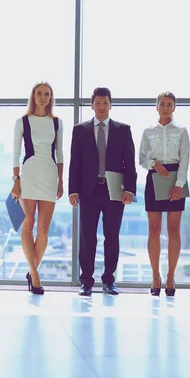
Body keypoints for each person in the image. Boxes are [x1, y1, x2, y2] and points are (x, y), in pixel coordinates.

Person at [68, 87, 137, 296]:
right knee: (87, 238)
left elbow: (130, 163)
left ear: (110, 105)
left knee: (112, 237)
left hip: (114, 191)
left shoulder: (123, 130)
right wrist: (72, 190)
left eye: (105, 103)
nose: (101, 107)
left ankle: (109, 281)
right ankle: (86, 282)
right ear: (91, 105)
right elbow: (75, 163)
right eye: (97, 103)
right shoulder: (80, 130)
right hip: (88, 191)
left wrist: (130, 190)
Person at [11, 82, 64, 295]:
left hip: (49, 175)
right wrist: (15, 178)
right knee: (28, 223)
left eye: (47, 94)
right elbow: (15, 153)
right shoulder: (22, 121)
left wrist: (61, 180)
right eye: (39, 93)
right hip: (29, 174)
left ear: (51, 97)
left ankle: (32, 272)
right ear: (33, 96)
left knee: (43, 229)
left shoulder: (57, 123)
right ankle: (35, 274)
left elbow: (60, 153)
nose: (43, 97)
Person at [138, 92, 190, 297]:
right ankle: (155, 276)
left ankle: (170, 276)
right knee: (154, 230)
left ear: (174, 107)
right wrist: (153, 164)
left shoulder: (182, 131)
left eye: (170, 104)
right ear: (156, 107)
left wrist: (179, 185)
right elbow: (141, 158)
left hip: (176, 179)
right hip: (154, 179)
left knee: (174, 230)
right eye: (162, 104)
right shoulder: (148, 132)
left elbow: (185, 160)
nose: (166, 108)